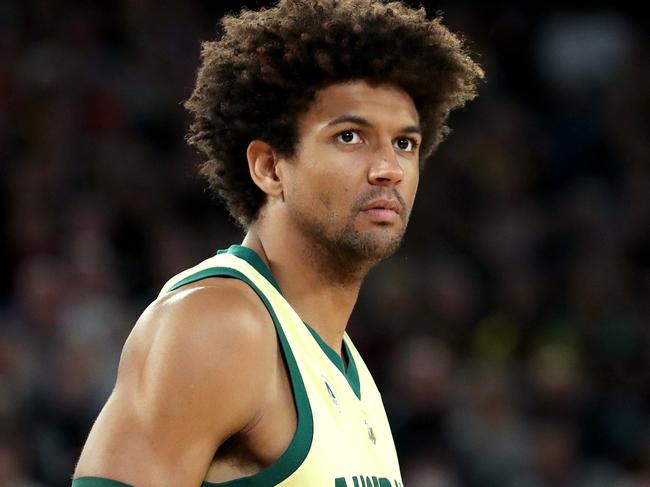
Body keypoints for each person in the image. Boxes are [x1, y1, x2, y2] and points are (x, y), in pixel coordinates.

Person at [71, 0, 483, 485]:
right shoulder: (218, 325)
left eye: (404, 144)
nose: (388, 169)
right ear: (269, 167)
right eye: (350, 137)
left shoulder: (351, 374)